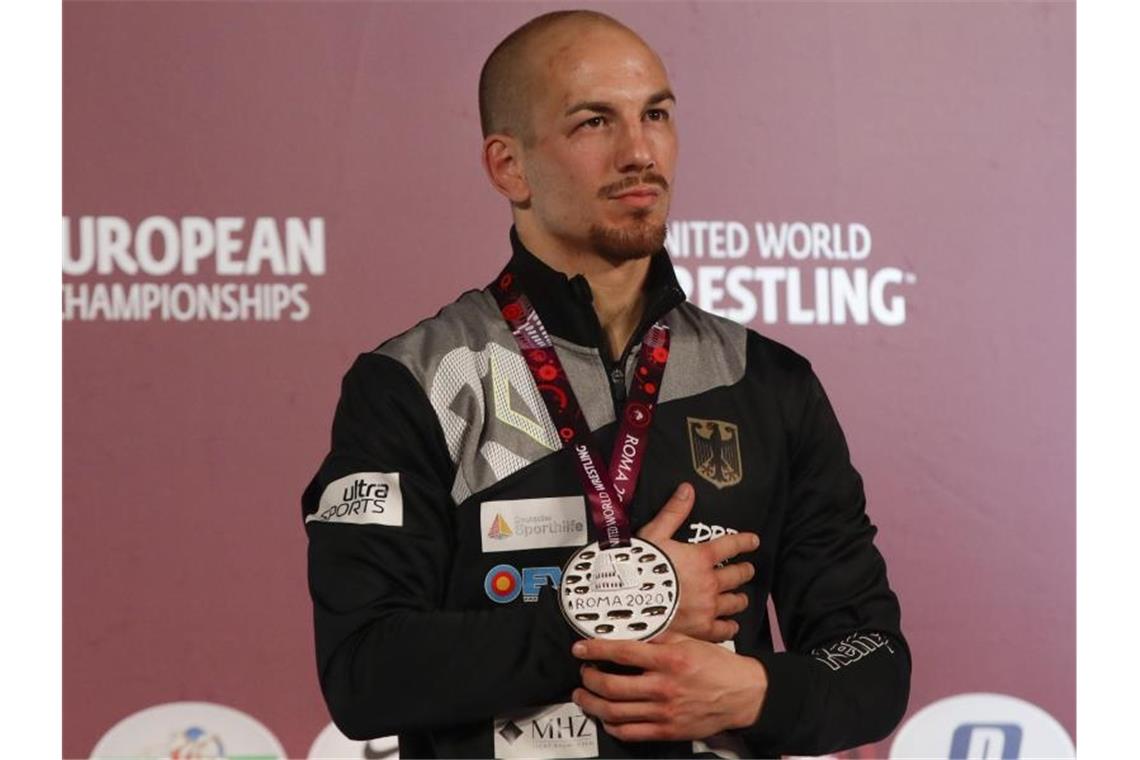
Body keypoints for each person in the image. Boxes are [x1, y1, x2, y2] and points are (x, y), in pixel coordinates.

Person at [303, 9, 910, 759]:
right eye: (594, 123)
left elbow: (871, 657)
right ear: (508, 166)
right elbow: (364, 671)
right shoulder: (414, 382)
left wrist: (755, 692)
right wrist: (604, 614)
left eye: (656, 114)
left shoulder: (768, 382)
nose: (639, 151)